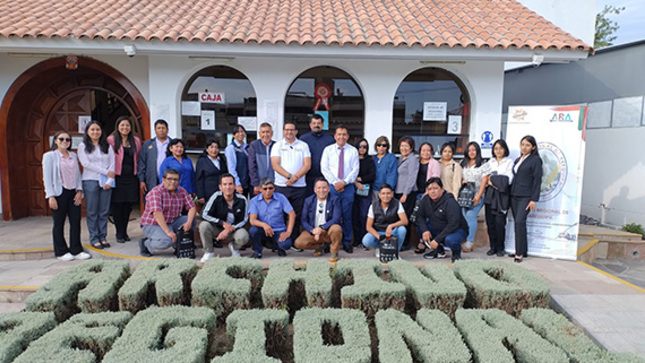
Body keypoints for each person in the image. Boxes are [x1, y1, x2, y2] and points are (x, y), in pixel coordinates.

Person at [42, 130, 90, 261]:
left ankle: (76, 249)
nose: (64, 142)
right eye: (61, 139)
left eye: (67, 140)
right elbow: (47, 178)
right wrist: (50, 196)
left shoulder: (73, 156)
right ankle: (61, 251)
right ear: (56, 141)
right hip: (58, 193)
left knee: (76, 222)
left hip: (73, 192)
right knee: (59, 223)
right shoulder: (49, 156)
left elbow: (78, 174)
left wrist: (80, 191)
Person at [139, 168, 197, 257]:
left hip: (172, 221)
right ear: (163, 180)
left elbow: (192, 207)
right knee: (166, 241)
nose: (173, 182)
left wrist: (188, 223)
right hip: (153, 223)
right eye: (170, 179)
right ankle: (146, 245)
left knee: (190, 218)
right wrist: (168, 232)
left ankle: (178, 245)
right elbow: (157, 213)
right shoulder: (156, 192)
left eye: (175, 179)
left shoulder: (181, 191)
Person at [271, 120, 311, 244]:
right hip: (282, 186)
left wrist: (295, 178)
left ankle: (293, 240)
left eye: (292, 129)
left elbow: (307, 165)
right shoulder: (277, 145)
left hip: (299, 187)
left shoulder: (303, 145)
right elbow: (275, 165)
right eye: (287, 129)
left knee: (297, 214)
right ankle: (280, 241)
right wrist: (289, 177)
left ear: (296, 131)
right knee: (280, 215)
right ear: (283, 131)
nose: (289, 132)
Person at [321, 125, 359, 253]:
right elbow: (324, 168)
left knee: (347, 216)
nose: (341, 137)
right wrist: (335, 182)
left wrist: (344, 182)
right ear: (335, 136)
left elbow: (355, 169)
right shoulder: (328, 150)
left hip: (347, 187)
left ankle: (347, 242)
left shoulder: (353, 150)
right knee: (329, 215)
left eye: (344, 134)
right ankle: (328, 241)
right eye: (339, 134)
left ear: (347, 136)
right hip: (331, 187)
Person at [77, 120, 115, 250]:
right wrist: (106, 172)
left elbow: (112, 163)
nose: (95, 132)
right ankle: (94, 238)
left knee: (104, 211)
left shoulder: (107, 146)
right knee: (93, 211)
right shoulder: (83, 146)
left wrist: (109, 180)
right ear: (87, 132)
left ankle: (103, 236)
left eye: (97, 129)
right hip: (90, 180)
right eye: (92, 130)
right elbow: (86, 164)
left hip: (106, 182)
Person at [415, 177, 468, 262]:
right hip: (438, 227)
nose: (432, 191)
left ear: (442, 189)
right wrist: (425, 230)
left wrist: (437, 239)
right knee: (420, 229)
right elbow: (420, 216)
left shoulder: (450, 202)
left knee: (450, 240)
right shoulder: (425, 200)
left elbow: (453, 224)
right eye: (430, 189)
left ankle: (456, 254)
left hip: (456, 230)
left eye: (435, 188)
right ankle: (439, 251)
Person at [199, 173, 250, 262]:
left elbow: (244, 219)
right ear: (220, 187)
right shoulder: (216, 196)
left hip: (234, 230)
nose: (228, 187)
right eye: (225, 184)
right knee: (203, 225)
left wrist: (229, 229)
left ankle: (234, 248)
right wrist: (222, 223)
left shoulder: (242, 199)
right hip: (217, 229)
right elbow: (204, 214)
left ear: (234, 186)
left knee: (243, 236)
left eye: (230, 184)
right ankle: (208, 252)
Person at [107, 116, 141, 243]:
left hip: (131, 177)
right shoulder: (111, 140)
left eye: (127, 125)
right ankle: (119, 232)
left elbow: (137, 157)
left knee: (128, 206)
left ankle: (125, 231)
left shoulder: (136, 141)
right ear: (117, 126)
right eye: (122, 125)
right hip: (117, 177)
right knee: (118, 206)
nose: (125, 128)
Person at [510, 135, 543, 263]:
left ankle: (519, 253)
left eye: (527, 145)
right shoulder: (519, 159)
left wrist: (533, 199)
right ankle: (523, 250)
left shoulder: (535, 160)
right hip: (514, 195)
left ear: (533, 147)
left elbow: (537, 180)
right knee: (519, 223)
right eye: (522, 144)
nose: (524, 147)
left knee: (519, 221)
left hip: (526, 196)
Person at [294, 178, 343, 262]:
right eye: (319, 188)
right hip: (314, 231)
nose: (322, 190)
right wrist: (312, 230)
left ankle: (334, 252)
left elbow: (336, 219)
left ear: (328, 189)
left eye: (324, 188)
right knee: (298, 243)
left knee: (336, 228)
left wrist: (321, 228)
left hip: (328, 230)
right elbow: (304, 220)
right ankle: (320, 246)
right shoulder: (309, 200)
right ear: (315, 190)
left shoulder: (335, 199)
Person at [248, 178, 296, 259]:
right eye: (265, 188)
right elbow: (252, 220)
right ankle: (258, 251)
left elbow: (292, 214)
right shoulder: (254, 201)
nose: (268, 191)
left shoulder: (281, 198)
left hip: (278, 229)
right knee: (253, 230)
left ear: (274, 188)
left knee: (286, 245)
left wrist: (288, 232)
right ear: (260, 189)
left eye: (270, 188)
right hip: (262, 230)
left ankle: (279, 248)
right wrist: (264, 225)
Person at [484, 139, 513, 257]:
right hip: (490, 195)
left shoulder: (509, 162)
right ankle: (493, 247)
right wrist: (496, 181)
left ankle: (501, 248)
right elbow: (485, 179)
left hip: (502, 196)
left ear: (505, 149)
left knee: (500, 223)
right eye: (496, 148)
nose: (498, 151)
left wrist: (493, 180)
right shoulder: (489, 162)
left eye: (501, 148)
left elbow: (508, 180)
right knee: (490, 223)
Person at [459, 141, 491, 252]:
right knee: (464, 216)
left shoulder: (483, 164)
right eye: (469, 150)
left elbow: (484, 180)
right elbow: (458, 176)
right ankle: (464, 239)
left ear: (478, 151)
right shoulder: (463, 163)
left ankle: (470, 242)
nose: (471, 152)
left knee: (471, 215)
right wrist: (462, 180)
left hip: (477, 195)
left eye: (474, 150)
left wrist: (479, 195)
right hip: (464, 195)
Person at [362, 184, 408, 258]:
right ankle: (380, 248)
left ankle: (395, 252)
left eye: (388, 193)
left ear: (392, 194)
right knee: (366, 241)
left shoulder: (397, 203)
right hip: (379, 231)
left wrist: (391, 226)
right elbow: (368, 227)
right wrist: (380, 238)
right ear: (379, 195)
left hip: (392, 231)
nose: (386, 196)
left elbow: (405, 221)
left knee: (402, 230)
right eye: (383, 193)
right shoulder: (373, 206)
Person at [394, 136, 419, 251]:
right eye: (402, 146)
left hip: (407, 193)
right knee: (399, 217)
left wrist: (406, 194)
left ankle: (406, 243)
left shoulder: (412, 159)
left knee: (405, 218)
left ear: (411, 147)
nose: (403, 148)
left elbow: (411, 177)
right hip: (398, 192)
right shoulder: (401, 158)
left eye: (406, 146)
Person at [300, 113, 335, 195]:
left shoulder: (330, 140)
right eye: (314, 123)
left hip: (325, 177)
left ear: (323, 125)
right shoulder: (303, 139)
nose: (316, 125)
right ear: (310, 125)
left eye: (319, 123)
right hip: (307, 177)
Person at [351, 138, 376, 248]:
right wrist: (355, 182)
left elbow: (372, 175)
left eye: (364, 147)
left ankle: (364, 239)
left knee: (364, 215)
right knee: (354, 216)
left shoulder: (370, 160)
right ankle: (356, 239)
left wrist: (359, 179)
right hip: (352, 191)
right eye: (360, 146)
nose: (362, 149)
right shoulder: (352, 159)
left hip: (365, 192)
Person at [138, 119, 170, 198]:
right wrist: (141, 180)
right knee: (152, 202)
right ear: (155, 130)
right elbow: (142, 163)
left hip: (168, 179)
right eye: (159, 128)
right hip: (151, 179)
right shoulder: (148, 144)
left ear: (167, 130)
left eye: (163, 128)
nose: (161, 130)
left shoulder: (172, 144)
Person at [195, 139, 228, 204]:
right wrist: (200, 195)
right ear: (207, 149)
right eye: (212, 147)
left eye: (216, 147)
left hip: (221, 192)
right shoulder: (202, 161)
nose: (214, 150)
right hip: (208, 193)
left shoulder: (221, 160)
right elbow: (198, 179)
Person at [248, 122, 275, 195]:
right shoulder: (254, 145)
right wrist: (255, 183)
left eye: (267, 132)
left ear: (272, 133)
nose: (265, 135)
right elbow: (251, 166)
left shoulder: (276, 145)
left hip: (273, 184)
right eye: (263, 132)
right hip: (259, 184)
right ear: (259, 133)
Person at [224, 124, 251, 196]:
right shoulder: (231, 148)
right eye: (238, 132)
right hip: (239, 183)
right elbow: (231, 168)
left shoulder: (247, 147)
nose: (241, 134)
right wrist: (237, 183)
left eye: (242, 131)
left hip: (248, 182)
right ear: (233, 135)